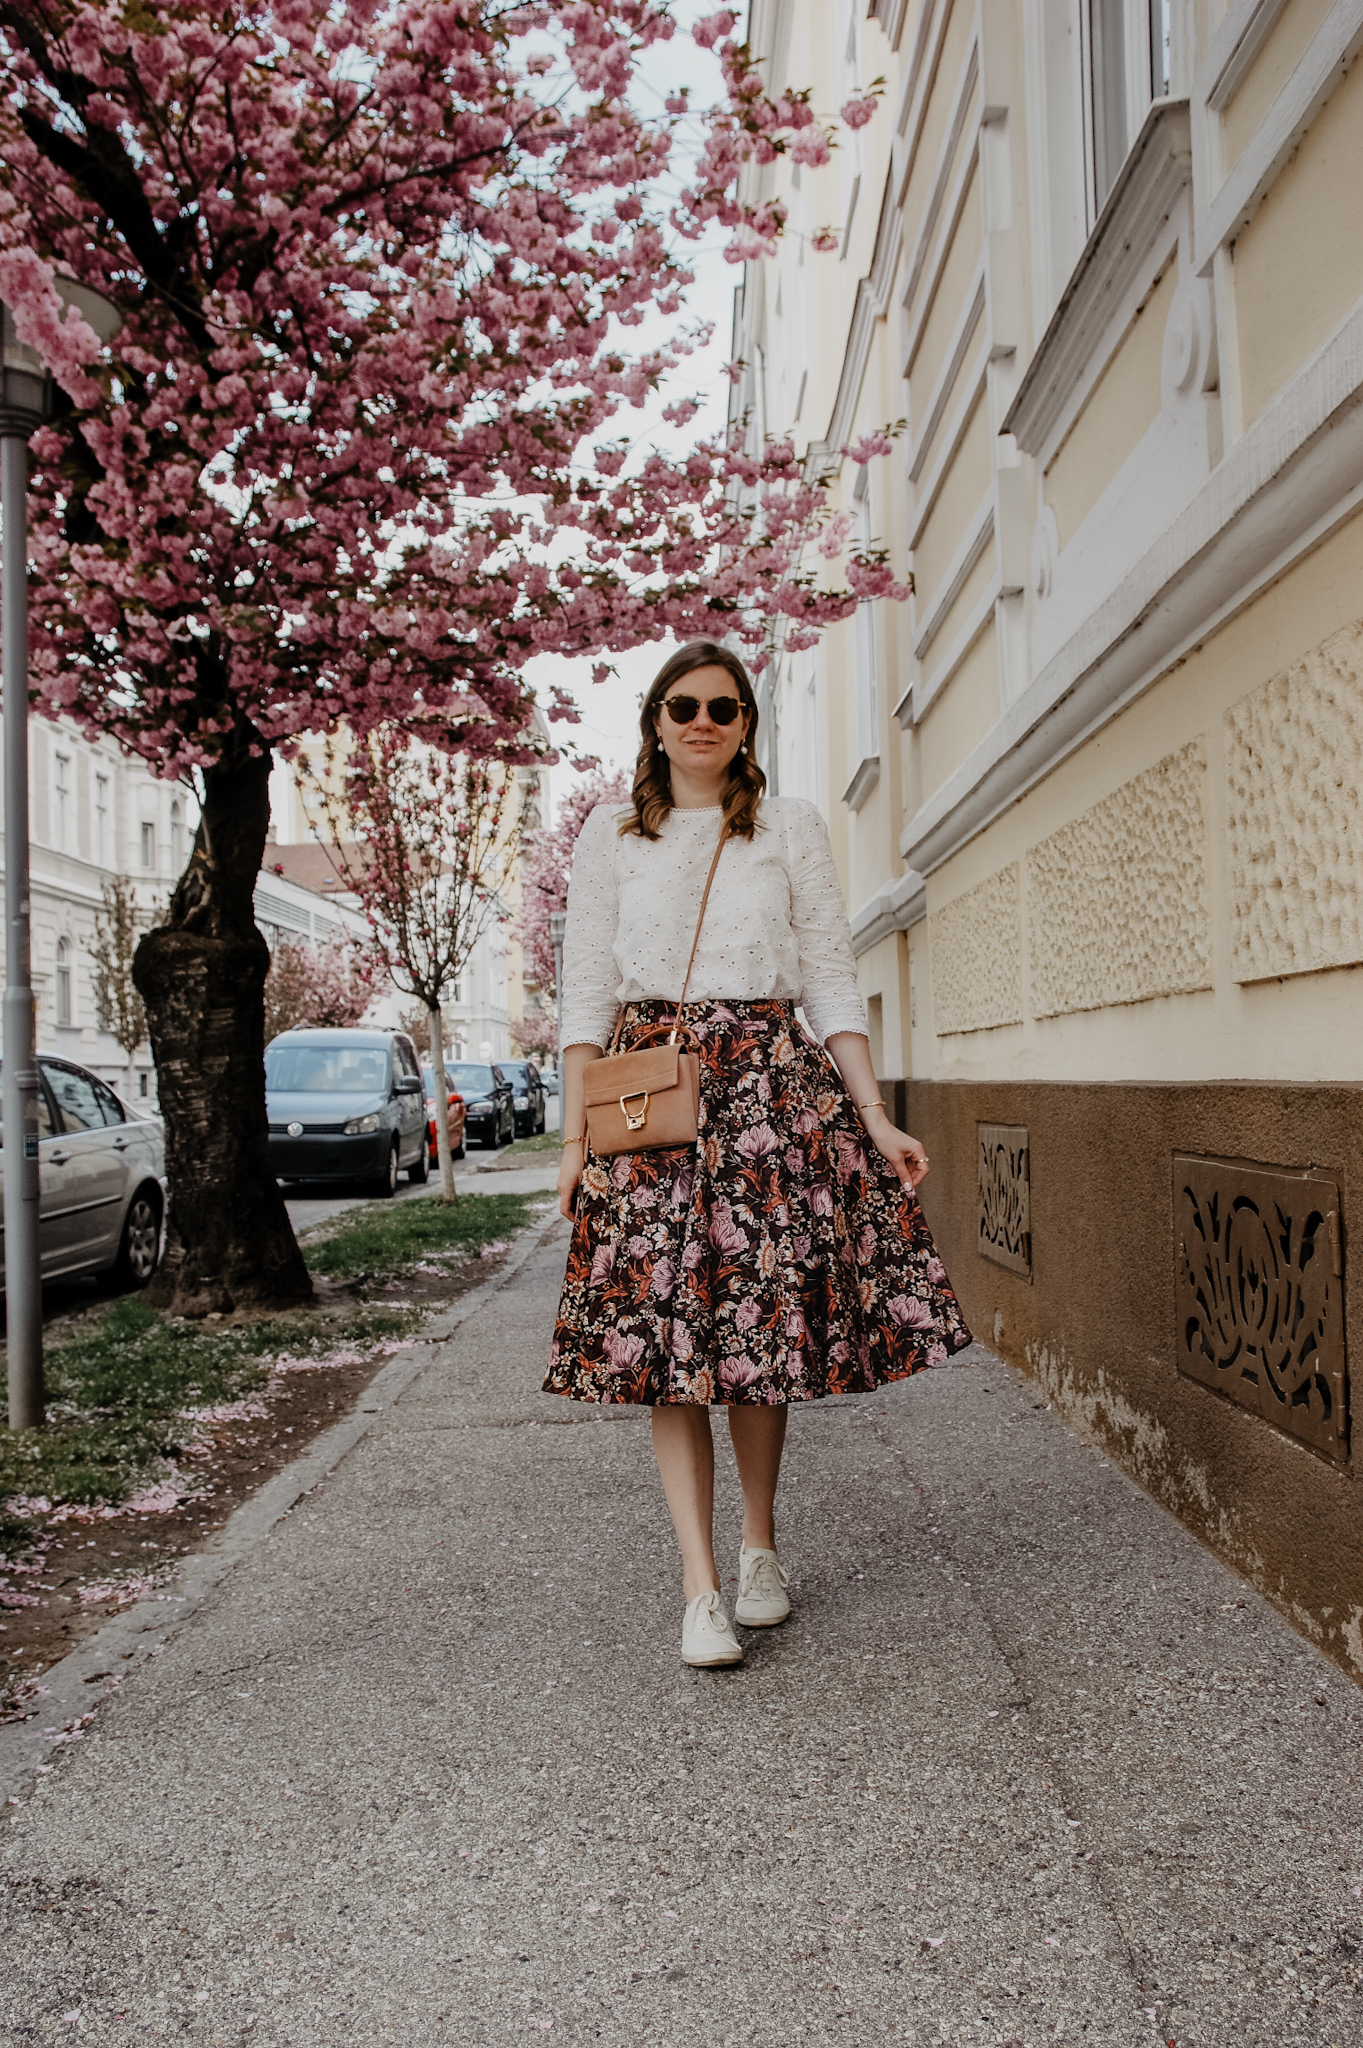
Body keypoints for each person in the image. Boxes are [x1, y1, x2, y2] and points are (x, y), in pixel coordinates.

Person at [546, 638, 971, 1667]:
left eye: (723, 707)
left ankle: (758, 1545)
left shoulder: (789, 827)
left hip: (771, 1094)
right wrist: (571, 1139)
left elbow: (828, 972)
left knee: (757, 1330)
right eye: (683, 704)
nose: (702, 720)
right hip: (650, 1100)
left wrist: (874, 1112)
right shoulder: (612, 835)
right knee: (666, 1349)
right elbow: (585, 991)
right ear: (654, 721)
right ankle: (698, 1587)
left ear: (746, 725)